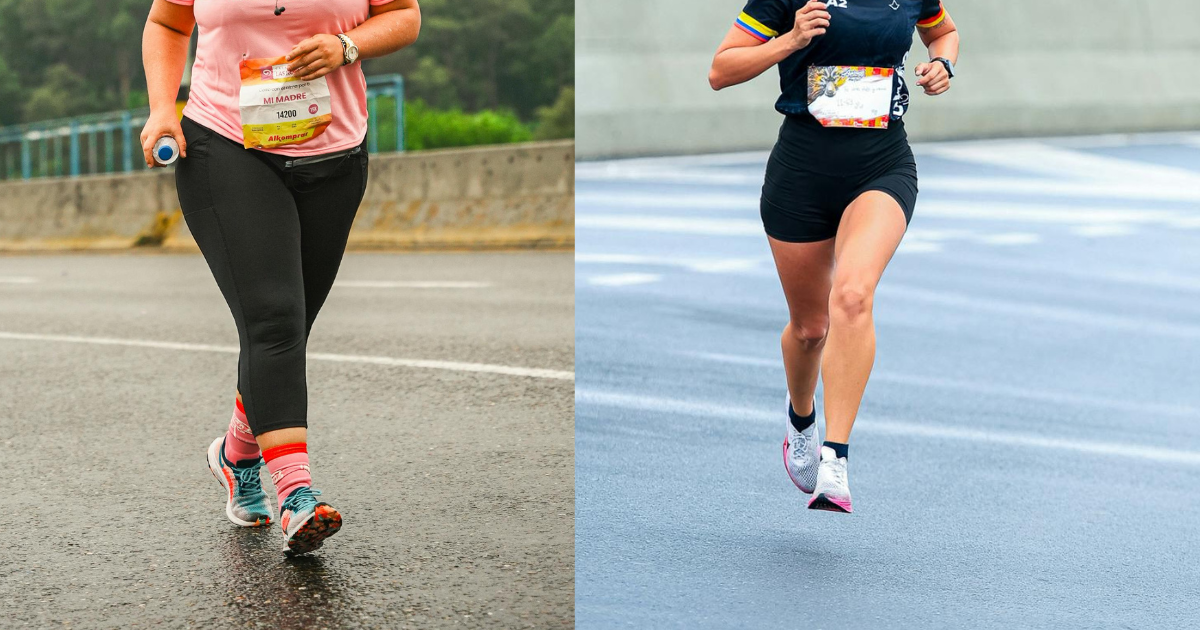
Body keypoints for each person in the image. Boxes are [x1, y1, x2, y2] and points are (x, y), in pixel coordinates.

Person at [140, 0, 420, 554]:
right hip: (226, 145)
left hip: (335, 153)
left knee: (287, 333)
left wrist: (347, 46)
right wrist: (161, 108)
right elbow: (168, 22)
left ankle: (236, 454)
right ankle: (297, 495)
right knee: (274, 319)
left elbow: (405, 16)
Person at [708, 1, 958, 512]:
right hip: (801, 173)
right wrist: (791, 39)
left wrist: (943, 64)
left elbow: (943, 32)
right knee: (810, 329)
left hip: (882, 164)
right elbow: (720, 70)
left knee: (853, 294)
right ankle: (801, 419)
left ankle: (835, 459)